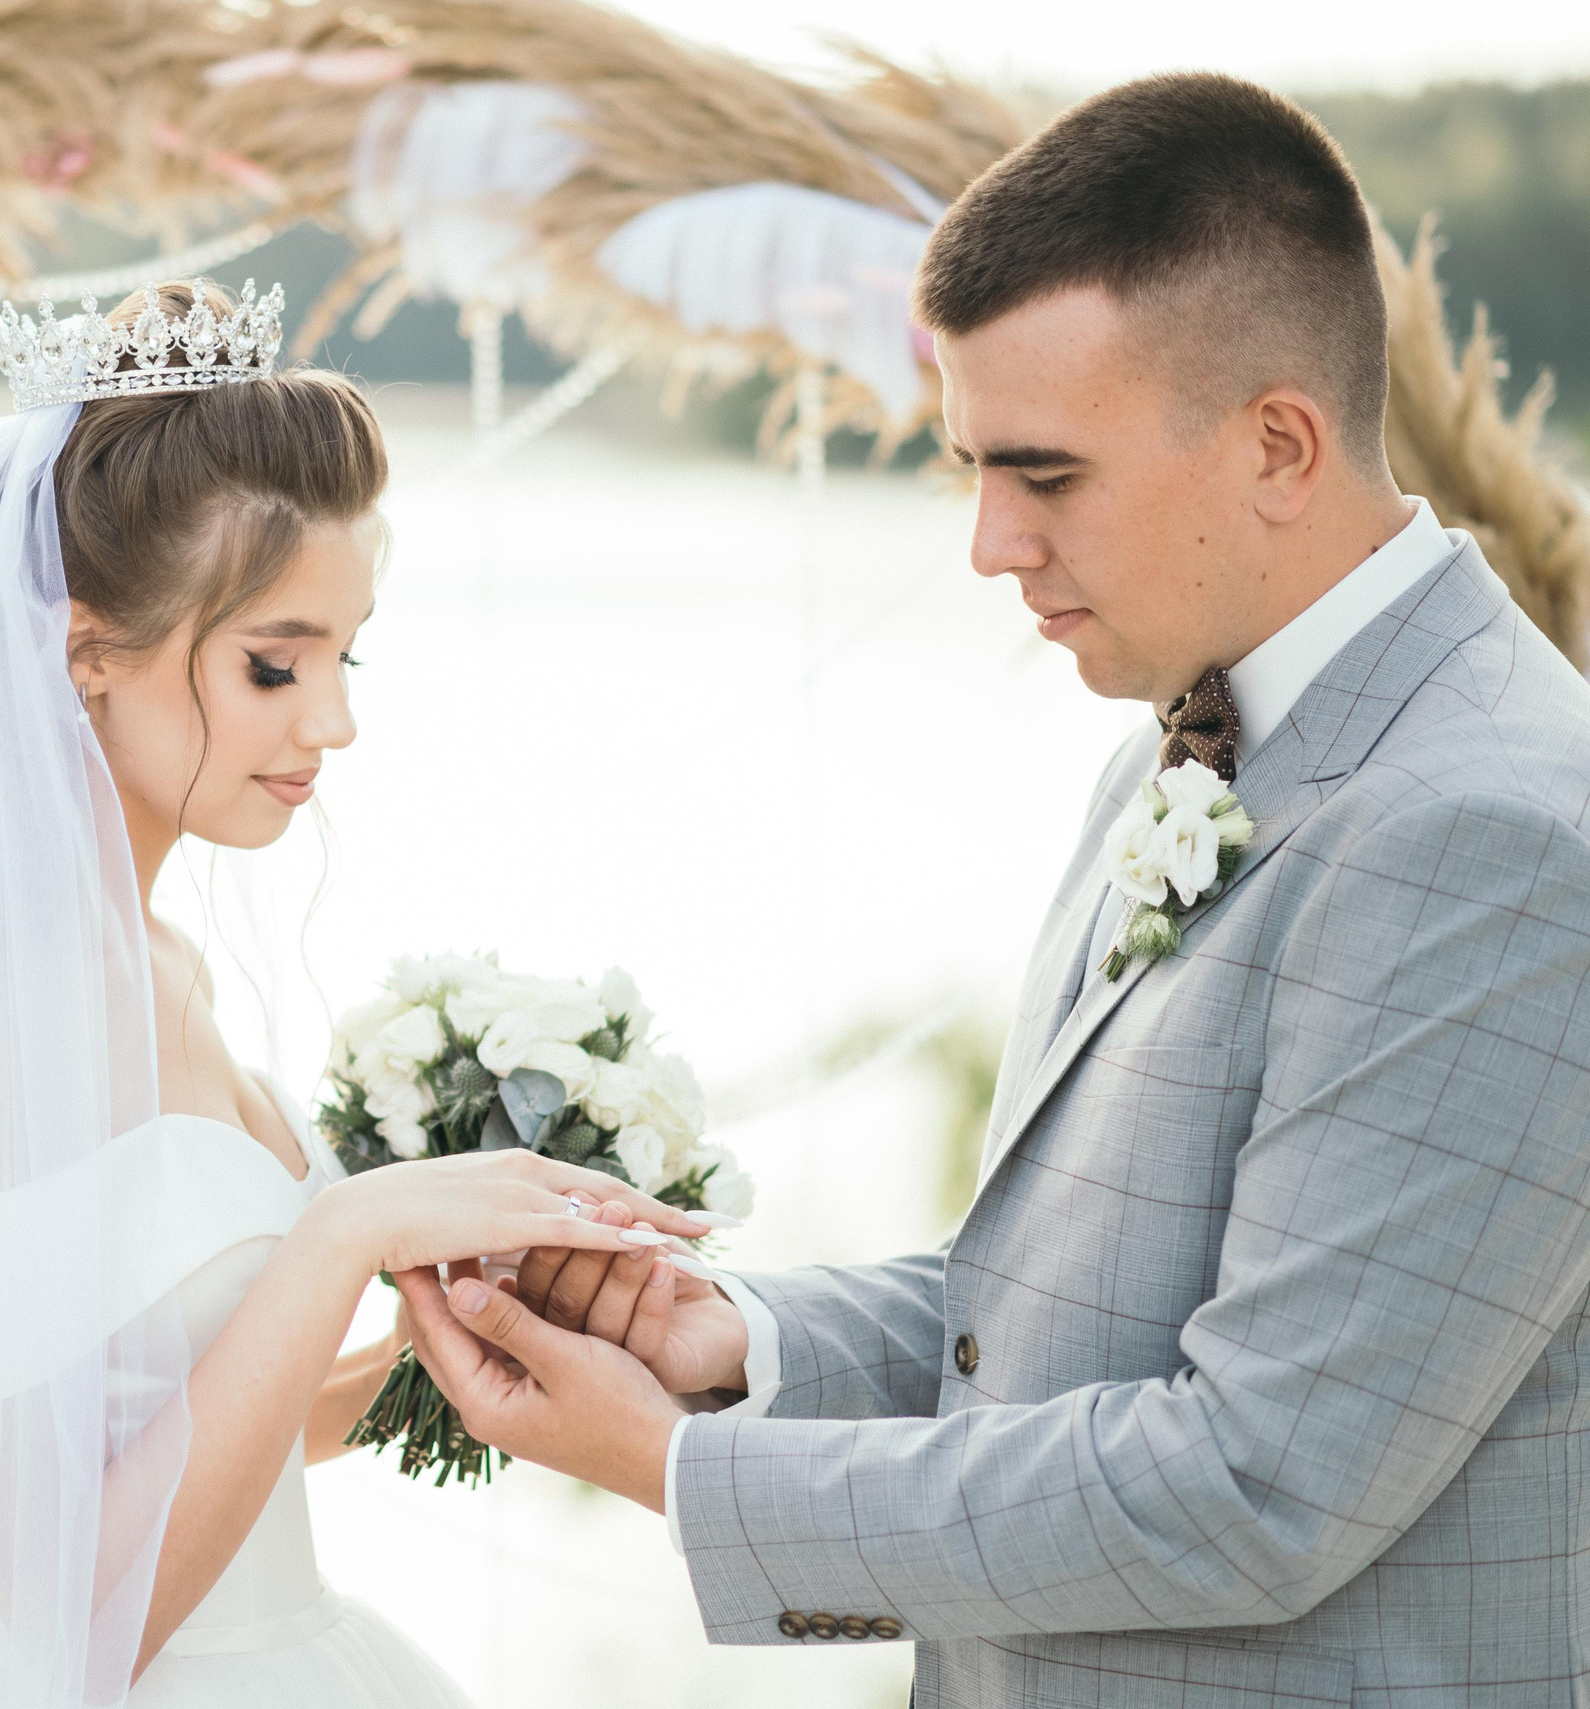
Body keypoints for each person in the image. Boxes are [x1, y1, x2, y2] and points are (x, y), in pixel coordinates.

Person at [400, 72, 1590, 1707]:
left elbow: (1253, 1484)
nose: (987, 544)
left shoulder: (1493, 832)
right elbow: (1050, 1318)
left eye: (1045, 474)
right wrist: (733, 1341)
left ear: (1279, 446)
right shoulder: (1188, 737)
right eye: (972, 466)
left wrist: (681, 1474)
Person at [0, 277, 715, 1709]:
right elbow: (68, 1613)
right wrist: (352, 1227)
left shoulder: (165, 961)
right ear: (83, 649)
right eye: (274, 665)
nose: (336, 721)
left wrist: (458, 1342)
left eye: (346, 654)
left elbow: (190, 1436)